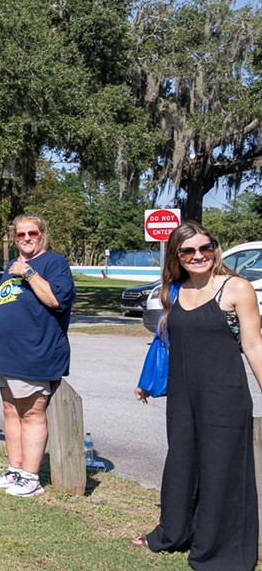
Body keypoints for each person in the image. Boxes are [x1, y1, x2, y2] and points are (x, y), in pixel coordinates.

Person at [133, 222, 262, 567]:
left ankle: (219, 551)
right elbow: (165, 342)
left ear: (215, 249)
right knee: (181, 463)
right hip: (182, 393)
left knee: (221, 469)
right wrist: (148, 379)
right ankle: (173, 533)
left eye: (205, 248)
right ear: (177, 256)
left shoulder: (237, 288)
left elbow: (252, 344)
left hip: (224, 394)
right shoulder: (172, 290)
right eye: (188, 251)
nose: (198, 256)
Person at [0, 214, 74, 498]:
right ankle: (15, 470)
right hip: (3, 354)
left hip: (34, 353)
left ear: (43, 234)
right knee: (10, 411)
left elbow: (55, 300)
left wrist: (29, 273)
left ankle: (31, 477)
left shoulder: (54, 263)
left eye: (31, 233)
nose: (26, 239)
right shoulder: (11, 266)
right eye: (20, 235)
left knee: (32, 413)